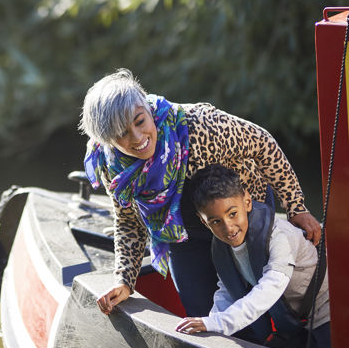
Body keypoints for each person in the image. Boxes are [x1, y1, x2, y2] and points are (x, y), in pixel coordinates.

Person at [80, 68, 321, 318]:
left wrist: (296, 206)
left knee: (264, 297)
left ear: (148, 111)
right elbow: (129, 219)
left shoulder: (199, 125)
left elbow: (263, 144)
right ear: (106, 140)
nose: (138, 137)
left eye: (140, 122)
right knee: (200, 309)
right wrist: (124, 279)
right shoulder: (108, 164)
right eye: (122, 134)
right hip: (182, 233)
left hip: (241, 213)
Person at [175, 164, 330, 348]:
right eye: (215, 221)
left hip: (327, 313)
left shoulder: (280, 236)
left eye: (232, 214)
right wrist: (211, 322)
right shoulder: (222, 246)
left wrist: (220, 322)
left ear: (247, 201)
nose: (228, 227)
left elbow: (270, 288)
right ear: (203, 221)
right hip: (295, 323)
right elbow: (226, 289)